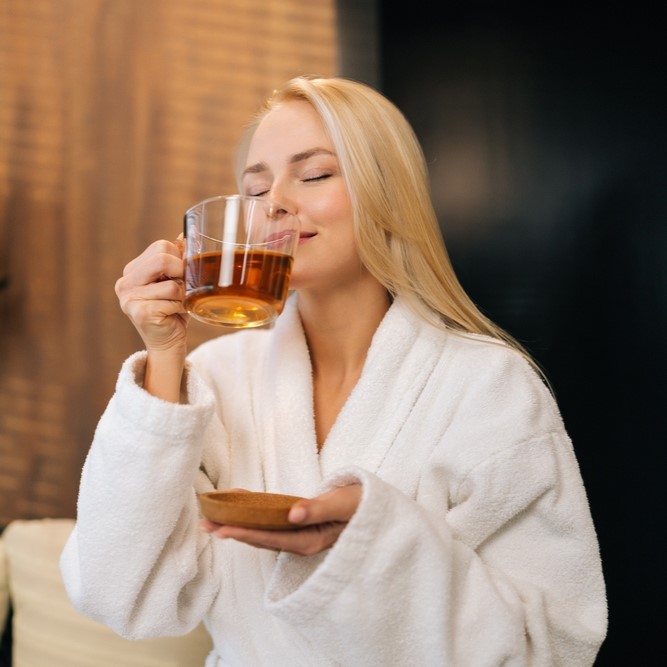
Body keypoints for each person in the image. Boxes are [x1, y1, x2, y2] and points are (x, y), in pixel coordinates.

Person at [60, 75, 607, 666]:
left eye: (316, 174)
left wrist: (374, 548)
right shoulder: (213, 377)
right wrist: (164, 356)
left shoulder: (488, 387)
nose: (274, 203)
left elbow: (550, 648)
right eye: (255, 186)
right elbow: (121, 593)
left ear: (388, 195)